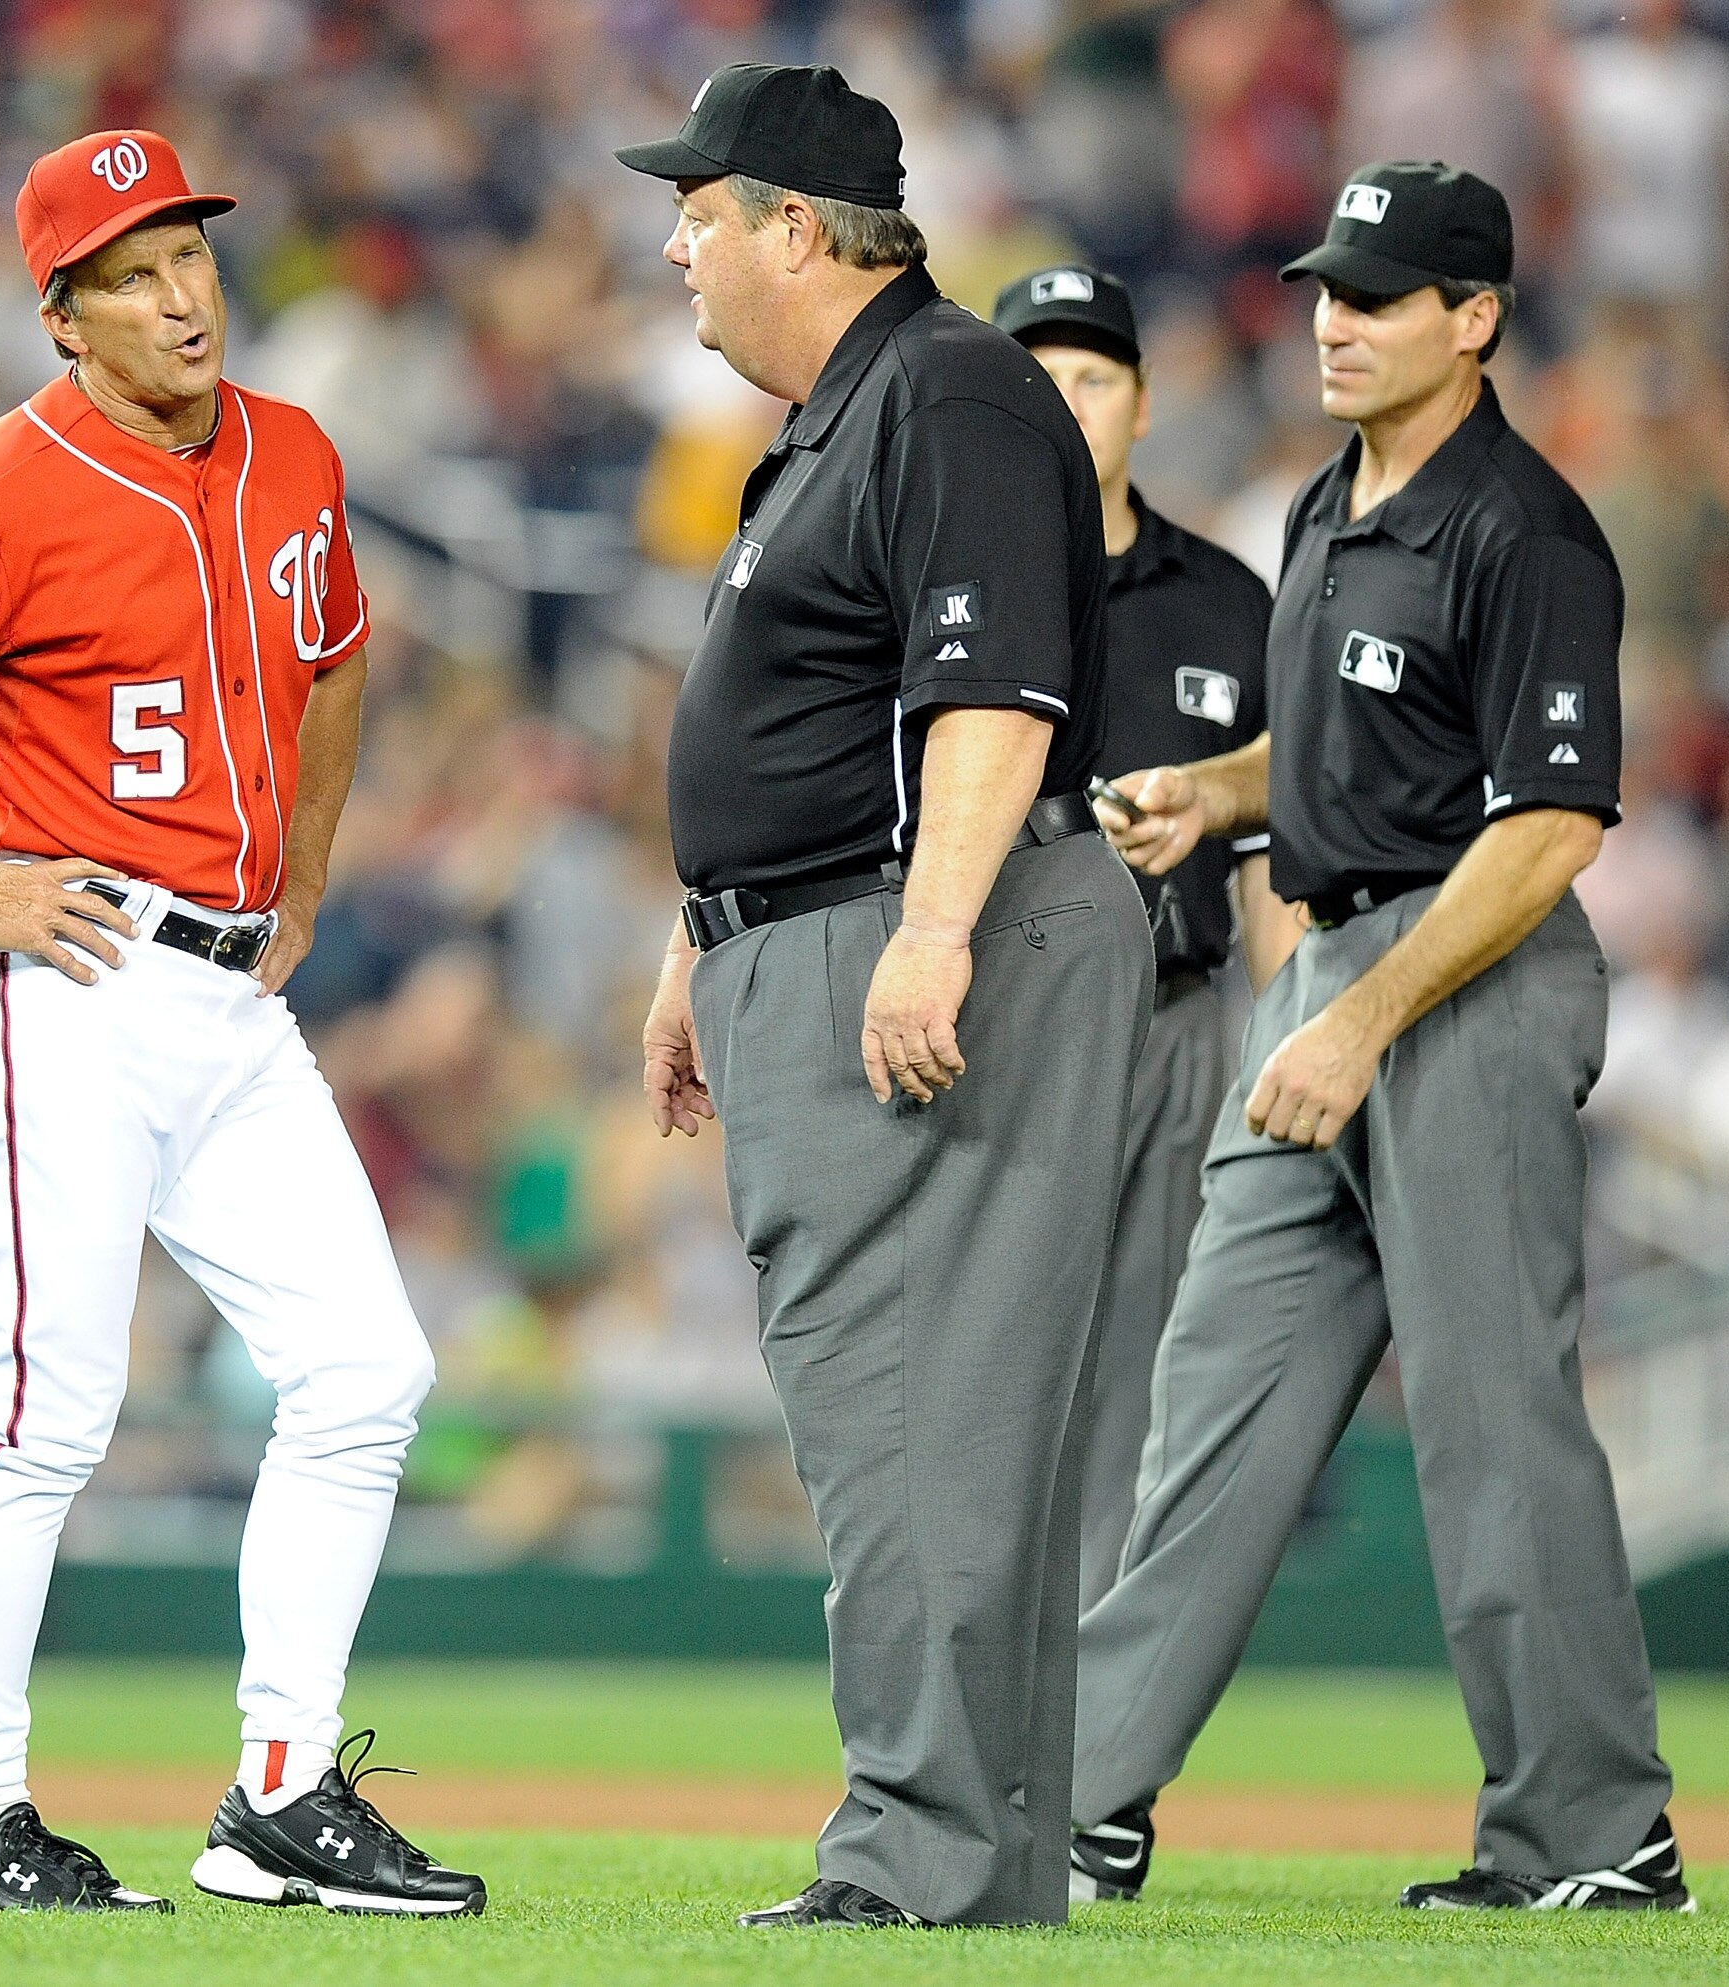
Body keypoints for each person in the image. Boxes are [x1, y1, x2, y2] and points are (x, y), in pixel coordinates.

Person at [0, 128, 483, 1920]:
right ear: (61, 310)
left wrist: (303, 882)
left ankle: (283, 1795)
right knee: (44, 1408)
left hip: (234, 992)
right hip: (58, 978)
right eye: (136, 271)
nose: (183, 295)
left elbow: (339, 657)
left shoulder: (293, 449)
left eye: (197, 257)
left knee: (369, 1374)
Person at [1066, 162, 1690, 1913]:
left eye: (1379, 293)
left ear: (1474, 319)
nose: (1332, 318)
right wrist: (1220, 790)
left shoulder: (1527, 529)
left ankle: (1594, 1832)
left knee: (1493, 1421)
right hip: (1331, 963)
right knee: (1213, 1395)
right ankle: (1086, 1800)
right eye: (1325, 286)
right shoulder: (1330, 503)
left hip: (1462, 976)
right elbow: (1353, 751)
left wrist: (1363, 1023)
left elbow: (1552, 826)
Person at [620, 66, 1148, 1930]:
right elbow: (816, 719)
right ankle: (981, 1872)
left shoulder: (944, 390)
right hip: (822, 929)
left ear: (795, 224)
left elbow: (992, 688)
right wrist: (705, 939)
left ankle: (916, 1865)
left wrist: (928, 934)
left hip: (919, 938)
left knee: (911, 1423)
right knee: (937, 1425)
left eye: (701, 204)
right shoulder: (847, 413)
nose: (674, 238)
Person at [990, 265, 1302, 1615]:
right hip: (985, 1028)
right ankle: (958, 1701)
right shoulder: (929, 592)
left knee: (1137, 1379)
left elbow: (1276, 861)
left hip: (1176, 1024)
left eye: (1094, 376)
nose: (1065, 403)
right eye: (1036, 379)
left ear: (1144, 401)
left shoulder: (1230, 601)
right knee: (981, 1365)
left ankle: (1085, 1747)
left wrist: (1289, 1047)